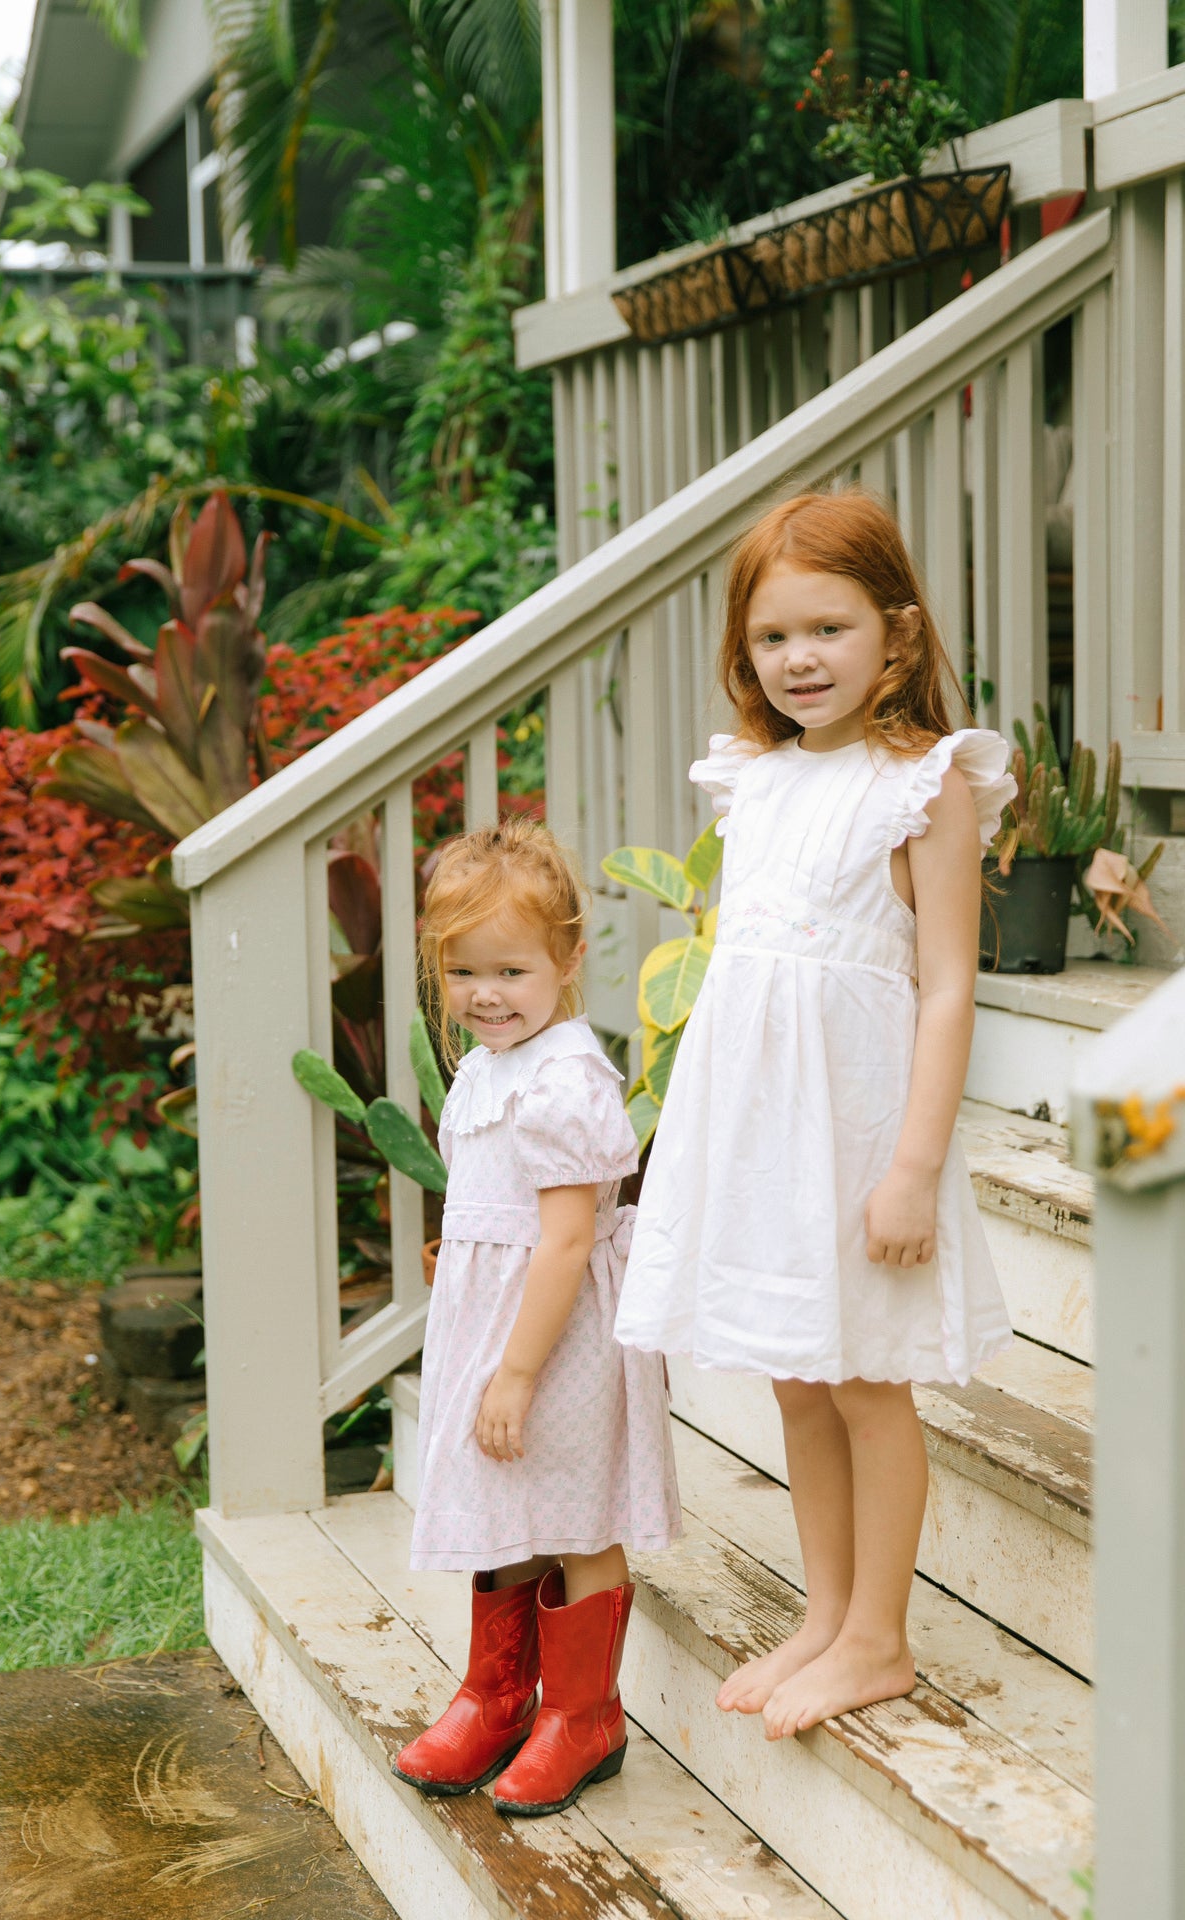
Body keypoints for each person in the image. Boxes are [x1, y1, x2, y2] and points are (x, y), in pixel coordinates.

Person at [615, 489, 1016, 1741]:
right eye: (771, 636)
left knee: (861, 1381)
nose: (798, 659)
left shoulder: (923, 784)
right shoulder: (754, 780)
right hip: (760, 1136)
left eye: (828, 629)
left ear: (894, 637)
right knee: (795, 1376)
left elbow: (945, 986)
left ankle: (878, 1640)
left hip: (855, 1137)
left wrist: (911, 1167)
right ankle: (828, 1611)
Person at [393, 819, 681, 1817]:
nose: (484, 993)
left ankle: (583, 1714)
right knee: (506, 1503)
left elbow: (561, 1243)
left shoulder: (564, 1079)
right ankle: (497, 1693)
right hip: (496, 1331)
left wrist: (514, 1371)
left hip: (553, 1339)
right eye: (462, 971)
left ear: (566, 957)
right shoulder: (485, 1066)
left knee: (576, 1512)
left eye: (510, 969)